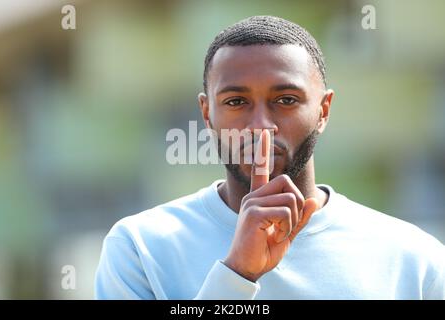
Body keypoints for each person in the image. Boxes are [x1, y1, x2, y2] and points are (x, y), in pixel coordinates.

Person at [94, 15, 445, 299]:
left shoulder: (413, 259)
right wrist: (237, 274)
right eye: (236, 102)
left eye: (286, 100)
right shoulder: (141, 247)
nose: (261, 125)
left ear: (324, 110)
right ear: (207, 113)